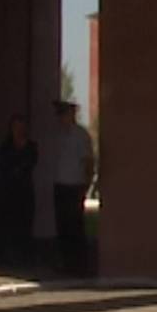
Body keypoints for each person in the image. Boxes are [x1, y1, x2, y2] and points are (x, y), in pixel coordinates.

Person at [45, 98, 94, 276]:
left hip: (75, 185)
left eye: (63, 113)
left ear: (71, 114)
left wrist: (86, 184)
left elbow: (88, 162)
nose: (60, 118)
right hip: (60, 184)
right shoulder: (57, 135)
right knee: (62, 225)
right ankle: (66, 263)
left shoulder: (81, 135)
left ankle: (79, 264)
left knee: (75, 226)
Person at [0, 114, 38, 269]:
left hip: (24, 190)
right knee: (8, 222)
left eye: (21, 127)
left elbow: (31, 162)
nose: (18, 130)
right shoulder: (5, 146)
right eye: (15, 127)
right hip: (8, 190)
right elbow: (2, 164)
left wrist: (20, 168)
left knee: (25, 222)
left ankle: (24, 254)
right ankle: (7, 255)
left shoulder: (31, 146)